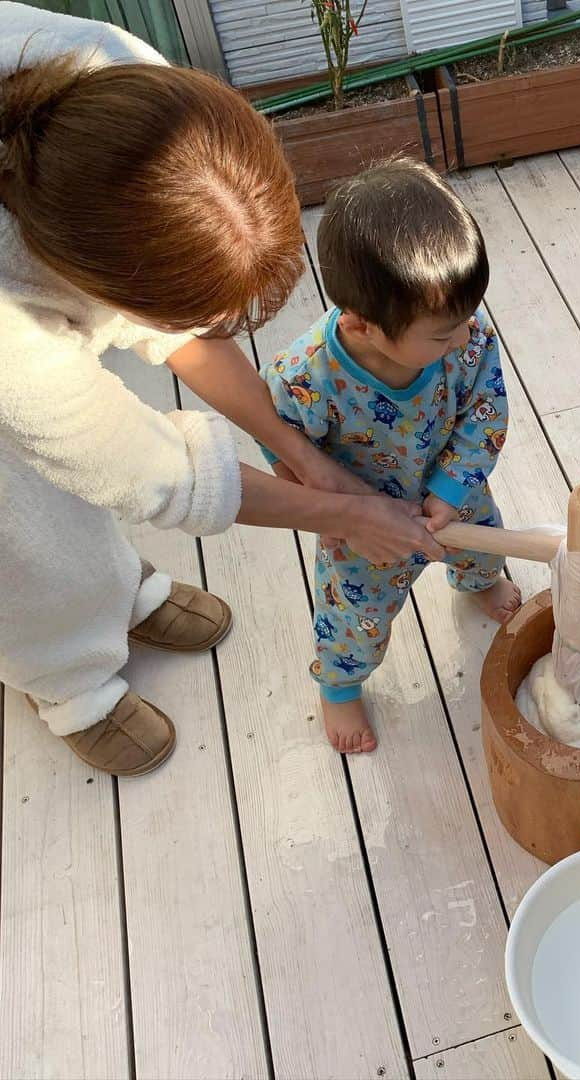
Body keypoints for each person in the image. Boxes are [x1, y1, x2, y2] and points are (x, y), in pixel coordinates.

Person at [0, 3, 444, 776]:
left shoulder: (125, 80)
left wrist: (300, 453)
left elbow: (183, 335)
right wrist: (344, 511)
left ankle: (121, 591)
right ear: (96, 277)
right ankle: (65, 677)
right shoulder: (13, 331)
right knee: (22, 524)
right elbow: (148, 472)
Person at [260, 160, 520, 754]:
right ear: (361, 324)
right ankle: (340, 683)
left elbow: (486, 413)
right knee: (355, 615)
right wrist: (323, 515)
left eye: (466, 317)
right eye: (442, 332)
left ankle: (476, 583)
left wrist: (451, 492)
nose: (464, 337)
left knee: (484, 542)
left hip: (452, 490)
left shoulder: (467, 335)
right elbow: (283, 451)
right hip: (363, 526)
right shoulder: (304, 376)